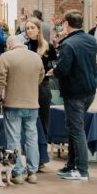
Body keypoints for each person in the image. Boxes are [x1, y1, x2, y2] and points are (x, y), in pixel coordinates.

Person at [54, 10, 97, 182]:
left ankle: (81, 169)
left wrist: (54, 71)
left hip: (74, 92)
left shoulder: (68, 44)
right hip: (89, 90)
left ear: (66, 23)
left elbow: (63, 69)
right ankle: (71, 164)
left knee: (76, 129)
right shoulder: (90, 39)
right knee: (74, 128)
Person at [0, 35, 45, 184]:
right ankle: (32, 172)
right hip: (32, 104)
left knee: (13, 138)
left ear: (10, 44)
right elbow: (41, 77)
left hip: (12, 104)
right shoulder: (36, 57)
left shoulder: (6, 56)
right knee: (31, 138)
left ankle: (17, 174)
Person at [24, 18, 56, 165]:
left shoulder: (48, 47)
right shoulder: (24, 47)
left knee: (43, 122)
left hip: (42, 87)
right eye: (27, 28)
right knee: (29, 124)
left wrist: (52, 70)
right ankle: (31, 156)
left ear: (38, 29)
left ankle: (42, 158)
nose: (29, 30)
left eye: (32, 27)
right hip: (27, 88)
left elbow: (55, 64)